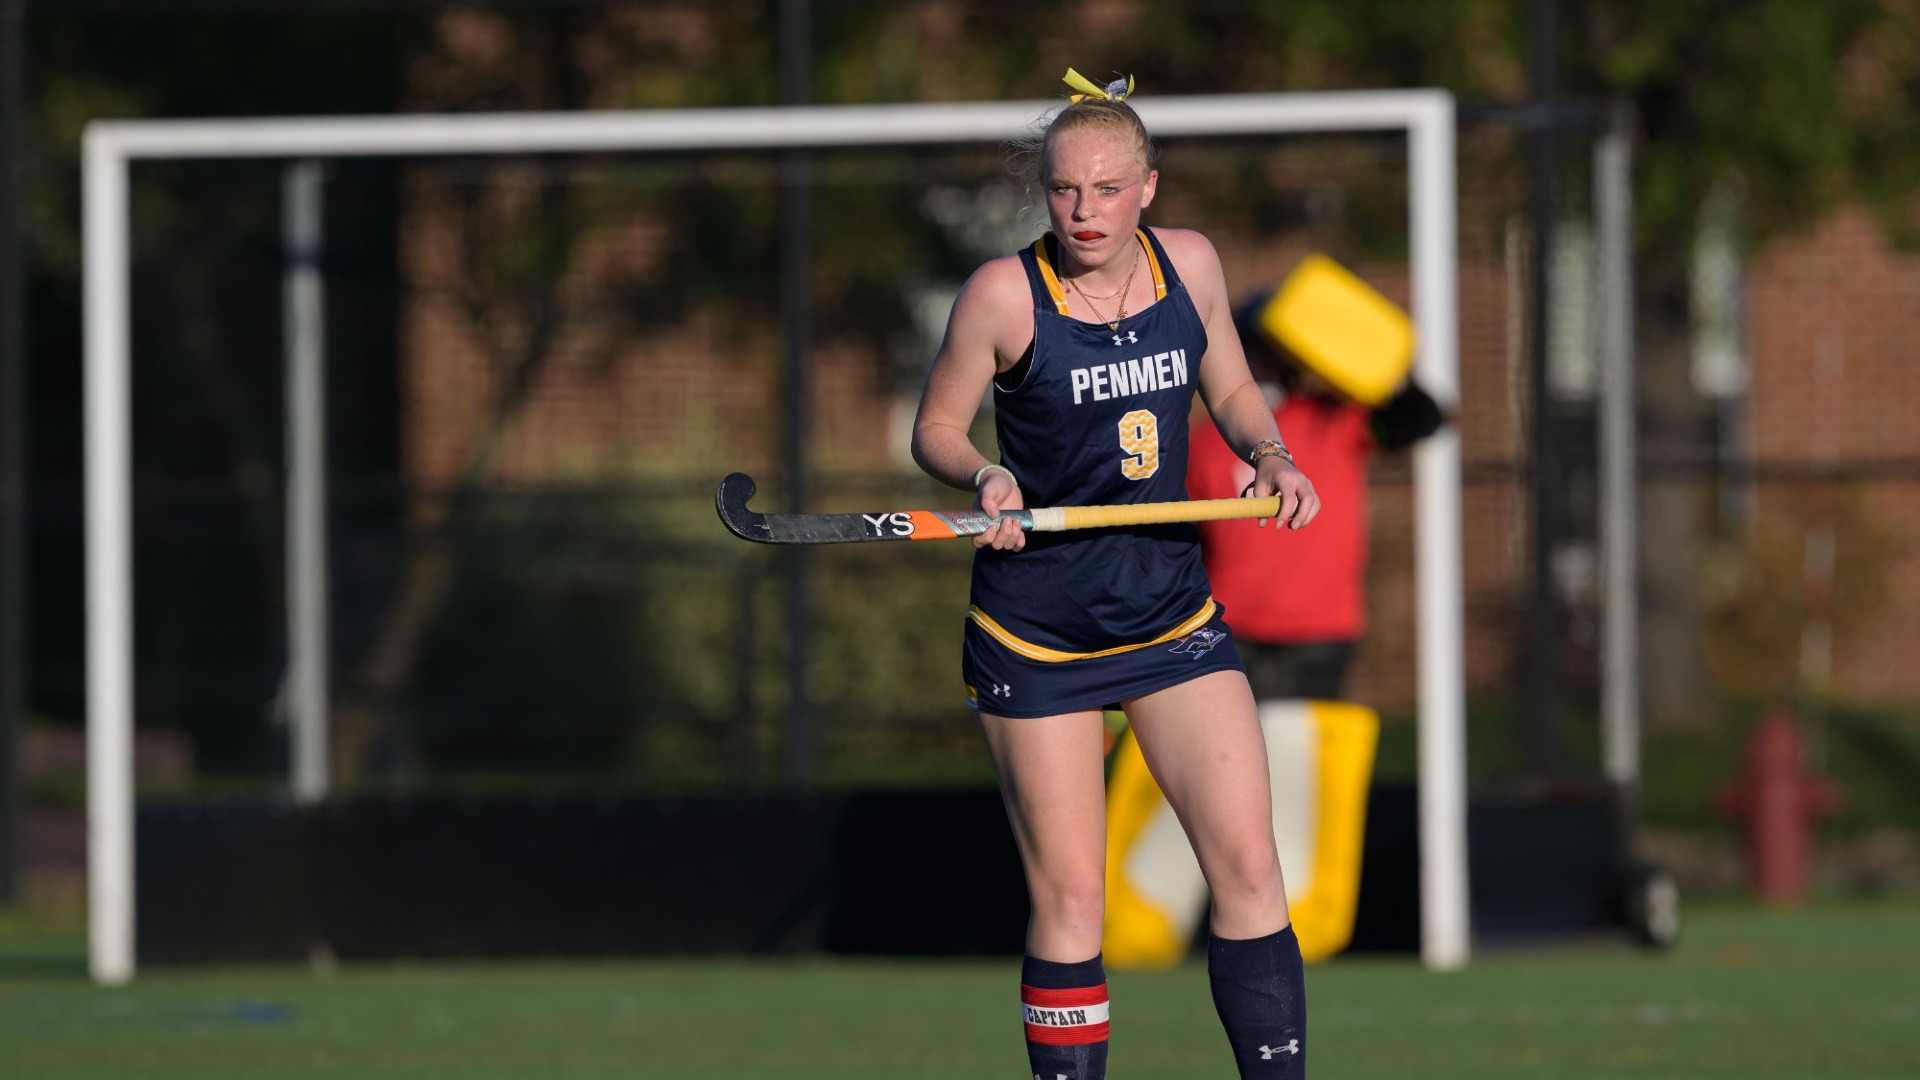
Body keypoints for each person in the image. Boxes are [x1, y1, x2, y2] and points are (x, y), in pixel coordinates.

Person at [910, 68, 1320, 1080]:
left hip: (1169, 614)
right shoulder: (1004, 295)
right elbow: (936, 428)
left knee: (1250, 867)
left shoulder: (1193, 266)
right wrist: (986, 475)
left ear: (1148, 188)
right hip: (1037, 632)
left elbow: (1231, 385)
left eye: (1105, 189)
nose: (1083, 211)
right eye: (1063, 190)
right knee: (1072, 899)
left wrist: (1270, 454)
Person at [1186, 293, 1443, 702]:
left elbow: (1421, 418)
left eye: (1276, 353)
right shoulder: (1204, 442)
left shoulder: (1333, 418)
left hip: (1320, 629)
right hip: (1232, 624)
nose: (1265, 364)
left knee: (1306, 742)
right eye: (1256, 353)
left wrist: (1378, 370)